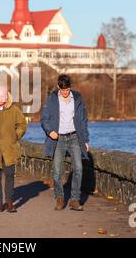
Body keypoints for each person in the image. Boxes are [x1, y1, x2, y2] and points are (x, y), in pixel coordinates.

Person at [41, 74, 90, 211]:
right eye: (62, 90)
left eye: (67, 90)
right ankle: (60, 198)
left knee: (79, 169)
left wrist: (85, 139)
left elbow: (83, 120)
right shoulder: (52, 99)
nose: (65, 93)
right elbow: (44, 119)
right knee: (57, 171)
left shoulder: (78, 98)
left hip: (74, 137)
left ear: (70, 87)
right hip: (58, 139)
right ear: (58, 87)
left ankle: (74, 200)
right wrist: (50, 131)